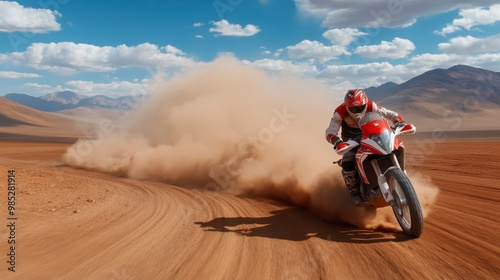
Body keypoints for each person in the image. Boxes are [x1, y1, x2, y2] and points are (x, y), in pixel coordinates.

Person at [325, 88, 405, 206]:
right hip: (352, 141)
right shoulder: (340, 112)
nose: (357, 111)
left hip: (372, 136)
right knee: (348, 161)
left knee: (395, 146)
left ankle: (402, 179)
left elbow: (390, 114)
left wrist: (399, 122)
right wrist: (337, 141)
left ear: (365, 103)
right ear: (346, 106)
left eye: (360, 107)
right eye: (352, 108)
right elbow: (330, 131)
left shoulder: (371, 106)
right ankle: (355, 191)